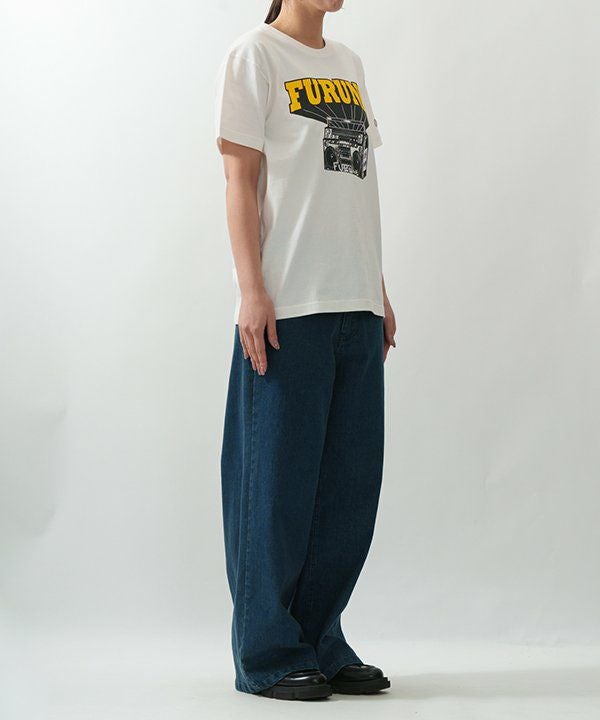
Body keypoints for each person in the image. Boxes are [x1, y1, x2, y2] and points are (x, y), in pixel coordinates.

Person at [215, 0, 396, 701]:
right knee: (276, 487)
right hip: (289, 305)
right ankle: (267, 652)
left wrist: (377, 288)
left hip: (354, 302)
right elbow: (239, 179)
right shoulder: (254, 56)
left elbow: (350, 189)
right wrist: (250, 289)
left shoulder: (348, 64)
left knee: (347, 490)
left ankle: (320, 639)